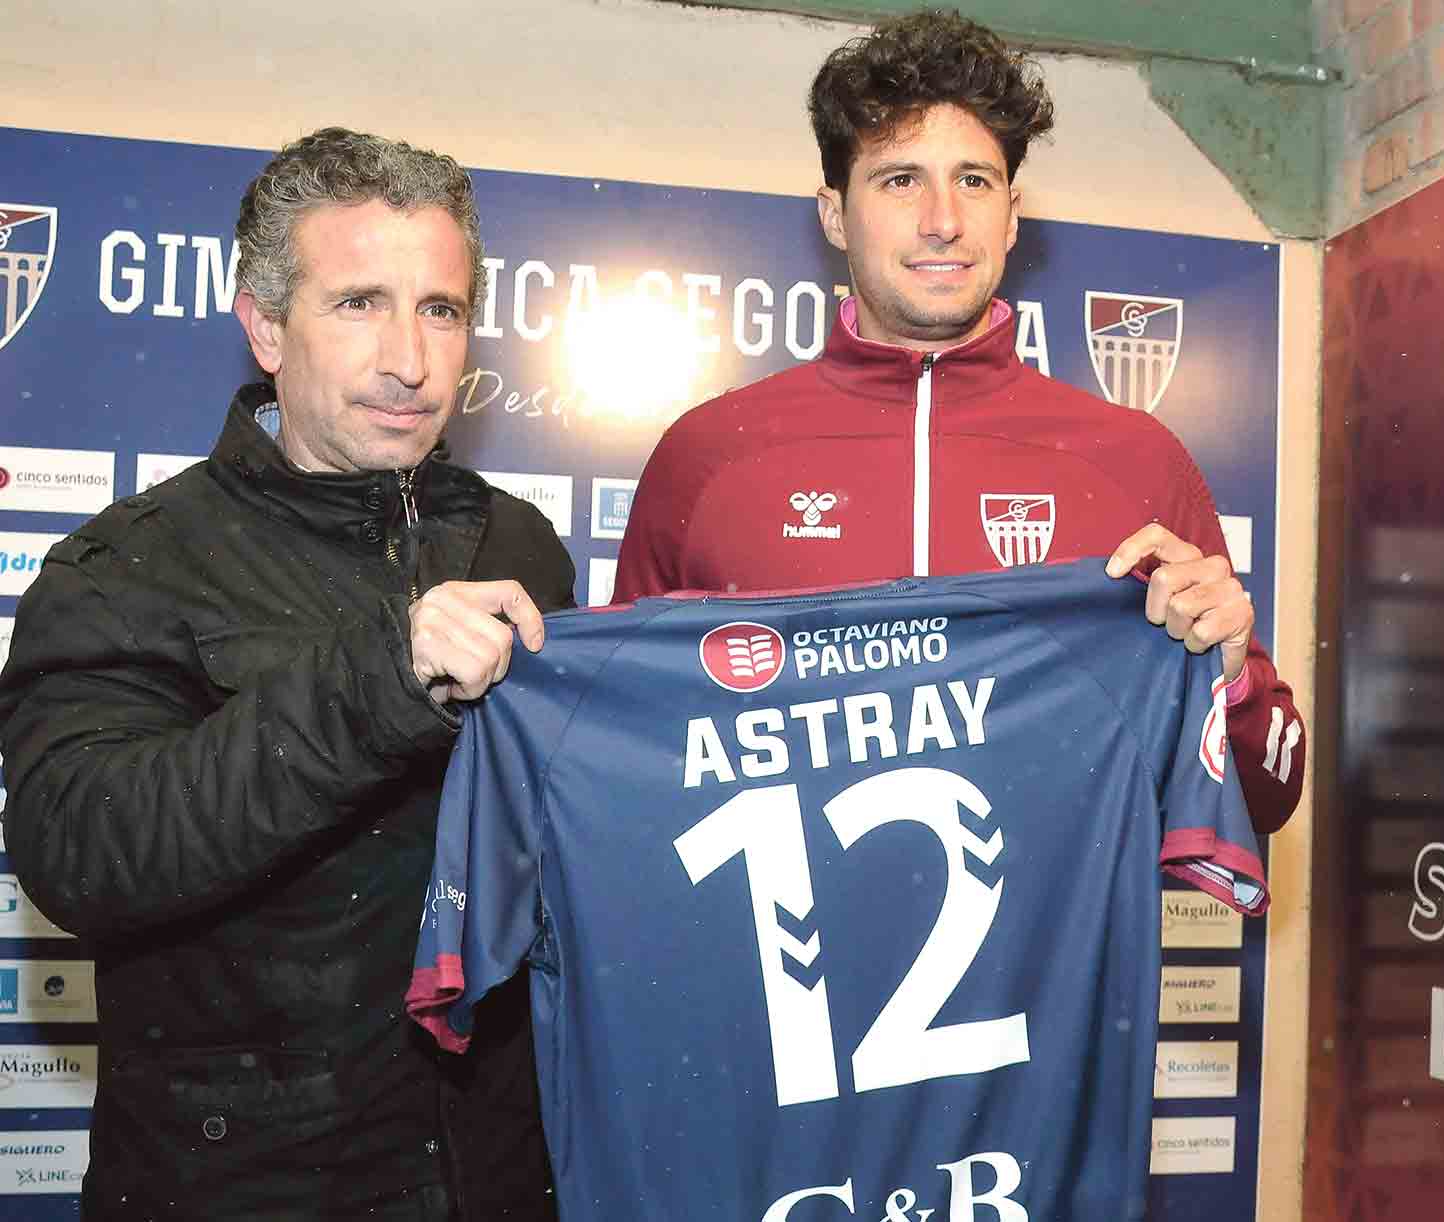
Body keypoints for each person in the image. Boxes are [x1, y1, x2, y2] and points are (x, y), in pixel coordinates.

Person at [0, 128, 571, 1220]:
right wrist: (385, 679)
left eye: (440, 310)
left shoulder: (520, 546)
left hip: (496, 1177)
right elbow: (80, 851)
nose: (410, 358)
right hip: (241, 1187)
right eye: (359, 303)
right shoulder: (127, 567)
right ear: (265, 326)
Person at [614, 8, 1305, 831]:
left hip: (1062, 921)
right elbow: (620, 757)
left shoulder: (1136, 460)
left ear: (1011, 215)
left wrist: (1232, 678)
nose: (942, 219)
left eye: (973, 181)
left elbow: (1270, 795)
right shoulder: (706, 456)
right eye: (900, 180)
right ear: (834, 215)